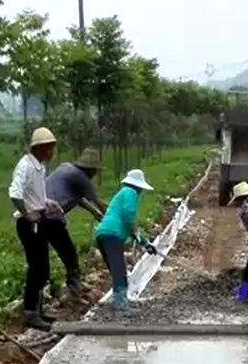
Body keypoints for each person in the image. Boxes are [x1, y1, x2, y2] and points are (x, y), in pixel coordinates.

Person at [8, 127, 61, 331]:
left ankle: (38, 310)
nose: (52, 152)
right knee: (37, 269)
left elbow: (35, 193)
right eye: (49, 148)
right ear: (39, 148)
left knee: (43, 267)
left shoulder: (38, 166)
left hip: (40, 219)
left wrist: (46, 202)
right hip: (29, 224)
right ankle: (30, 312)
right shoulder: (26, 167)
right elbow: (15, 193)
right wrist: (27, 213)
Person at [44, 148, 108, 298]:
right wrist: (115, 219)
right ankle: (74, 289)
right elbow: (99, 202)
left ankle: (50, 288)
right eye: (96, 170)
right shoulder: (81, 177)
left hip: (36, 213)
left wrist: (94, 213)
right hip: (50, 217)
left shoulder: (66, 169)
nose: (96, 173)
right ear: (91, 169)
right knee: (69, 254)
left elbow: (78, 198)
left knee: (41, 256)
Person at [95, 169, 156, 310]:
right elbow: (128, 217)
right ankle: (120, 304)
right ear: (138, 186)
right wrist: (138, 236)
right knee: (119, 269)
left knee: (116, 268)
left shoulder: (122, 193)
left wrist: (144, 242)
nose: (141, 192)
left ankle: (120, 300)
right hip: (112, 235)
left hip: (103, 233)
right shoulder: (130, 192)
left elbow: (128, 225)